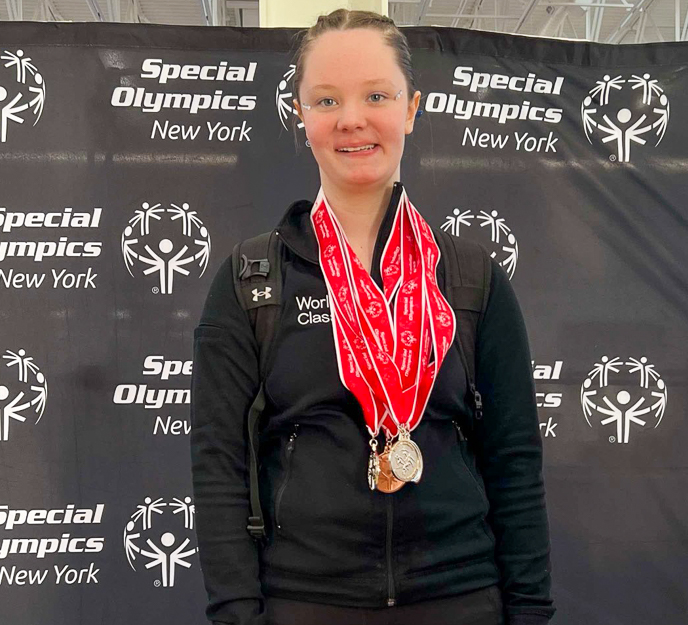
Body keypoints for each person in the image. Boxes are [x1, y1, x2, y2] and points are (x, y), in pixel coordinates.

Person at [190, 9, 555, 625]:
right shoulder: (253, 281)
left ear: (411, 109)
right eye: (327, 99)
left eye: (376, 95)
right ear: (301, 116)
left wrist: (530, 613)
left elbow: (515, 461)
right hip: (305, 603)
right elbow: (218, 465)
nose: (352, 118)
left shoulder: (468, 279)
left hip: (458, 598)